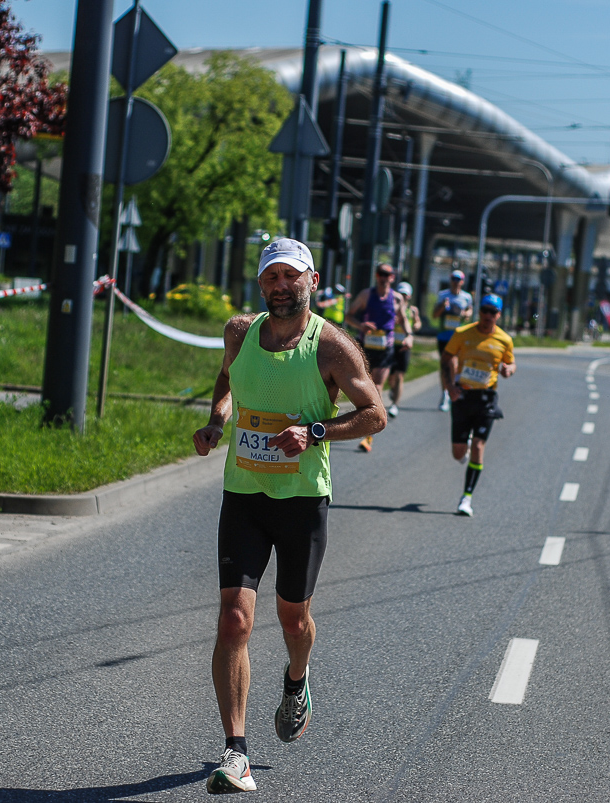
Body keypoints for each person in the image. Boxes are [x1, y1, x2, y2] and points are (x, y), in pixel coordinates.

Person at [192, 237, 386, 794]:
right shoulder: (239, 332)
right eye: (272, 277)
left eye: (291, 276)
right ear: (261, 285)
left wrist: (317, 431)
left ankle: (296, 679)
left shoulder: (331, 347)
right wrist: (217, 421)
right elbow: (228, 378)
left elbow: (375, 414)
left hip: (302, 500)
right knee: (234, 618)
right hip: (245, 495)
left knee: (292, 620)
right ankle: (236, 753)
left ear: (312, 281)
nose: (282, 286)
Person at [444, 293, 515, 517]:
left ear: (499, 315)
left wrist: (508, 370)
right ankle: (462, 451)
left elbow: (510, 363)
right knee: (458, 453)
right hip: (463, 396)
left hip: (486, 398)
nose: (488, 316)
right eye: (485, 310)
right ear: (479, 312)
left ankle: (467, 498)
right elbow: (446, 358)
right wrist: (449, 386)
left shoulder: (504, 340)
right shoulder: (462, 333)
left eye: (492, 312)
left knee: (478, 446)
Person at [345, 263, 407, 451]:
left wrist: (409, 336)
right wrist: (361, 325)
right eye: (381, 273)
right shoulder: (366, 295)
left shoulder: (397, 299)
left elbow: (403, 319)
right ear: (376, 275)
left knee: (377, 386)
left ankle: (369, 434)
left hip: (385, 348)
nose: (384, 277)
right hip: (366, 347)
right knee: (363, 385)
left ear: (393, 278)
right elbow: (349, 316)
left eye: (388, 274)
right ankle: (366, 416)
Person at [432, 269, 474, 412]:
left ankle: (452, 391)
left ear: (462, 282)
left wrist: (466, 313)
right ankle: (444, 393)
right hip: (444, 336)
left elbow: (469, 312)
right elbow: (435, 315)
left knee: (454, 364)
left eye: (458, 279)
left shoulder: (466, 297)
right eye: (453, 279)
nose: (455, 282)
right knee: (445, 365)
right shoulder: (443, 295)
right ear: (450, 280)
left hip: (458, 337)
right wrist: (442, 306)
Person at [388, 281, 422, 417]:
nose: (403, 297)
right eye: (401, 294)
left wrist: (413, 327)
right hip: (390, 344)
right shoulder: (391, 307)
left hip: (404, 345)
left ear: (409, 296)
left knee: (400, 375)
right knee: (390, 376)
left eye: (405, 295)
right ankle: (392, 389)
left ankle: (395, 405)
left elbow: (418, 323)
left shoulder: (412, 310)